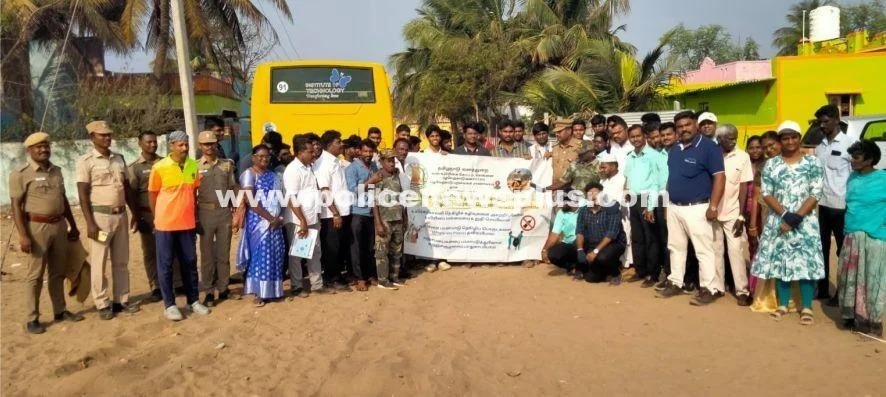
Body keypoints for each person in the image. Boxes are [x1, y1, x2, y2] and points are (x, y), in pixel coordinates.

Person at [751, 120, 824, 325]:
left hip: (805, 221)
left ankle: (807, 307)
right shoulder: (772, 164)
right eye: (785, 138)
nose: (790, 141)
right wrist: (785, 215)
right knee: (781, 262)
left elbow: (816, 192)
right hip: (778, 220)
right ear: (780, 140)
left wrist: (797, 217)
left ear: (799, 139)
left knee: (806, 264)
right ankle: (782, 304)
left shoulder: (812, 163)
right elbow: (766, 192)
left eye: (793, 137)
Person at [10, 132, 83, 333]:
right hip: (36, 228)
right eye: (38, 147)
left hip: (59, 226)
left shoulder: (56, 171)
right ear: (29, 150)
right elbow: (15, 206)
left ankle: (60, 311)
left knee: (58, 271)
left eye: (46, 146)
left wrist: (73, 225)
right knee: (35, 275)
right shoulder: (21, 173)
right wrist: (23, 235)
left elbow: (64, 200)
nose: (44, 150)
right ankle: (32, 318)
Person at [656, 111, 726, 306]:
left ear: (695, 125)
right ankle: (675, 282)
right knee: (675, 247)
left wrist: (713, 205)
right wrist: (667, 204)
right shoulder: (675, 150)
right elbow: (672, 179)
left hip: (698, 207)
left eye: (687, 125)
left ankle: (709, 288)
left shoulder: (709, 148)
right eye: (680, 126)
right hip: (675, 207)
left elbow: (720, 177)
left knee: (704, 250)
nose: (683, 129)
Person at [76, 120, 139, 320]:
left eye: (109, 134)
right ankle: (102, 303)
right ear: (92, 137)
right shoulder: (86, 161)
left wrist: (135, 213)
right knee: (99, 261)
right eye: (102, 135)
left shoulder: (119, 159)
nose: (107, 138)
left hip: (120, 216)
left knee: (121, 261)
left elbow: (126, 188)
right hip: (100, 217)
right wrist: (90, 223)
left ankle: (121, 299)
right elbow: (83, 194)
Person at [148, 130, 210, 321]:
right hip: (165, 225)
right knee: (165, 265)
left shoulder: (193, 166)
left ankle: (193, 301)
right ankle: (170, 305)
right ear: (171, 146)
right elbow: (152, 194)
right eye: (180, 145)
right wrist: (157, 219)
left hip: (187, 224)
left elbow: (193, 193)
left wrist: (195, 218)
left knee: (190, 262)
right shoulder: (159, 167)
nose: (184, 148)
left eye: (186, 144)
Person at [837, 140, 885, 335]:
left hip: (875, 237)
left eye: (856, 157)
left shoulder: (883, 179)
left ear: (870, 159)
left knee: (873, 279)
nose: (852, 161)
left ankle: (873, 321)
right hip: (851, 236)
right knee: (849, 278)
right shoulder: (852, 178)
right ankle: (851, 316)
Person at [813, 104, 858, 304]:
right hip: (822, 205)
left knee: (843, 251)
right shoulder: (819, 146)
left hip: (842, 207)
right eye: (820, 122)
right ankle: (822, 288)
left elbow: (856, 174)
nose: (822, 126)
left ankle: (842, 292)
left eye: (826, 121)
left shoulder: (851, 144)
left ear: (837, 119)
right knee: (821, 248)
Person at [236, 145, 286, 307]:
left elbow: (281, 198)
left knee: (275, 255)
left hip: (275, 222)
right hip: (258, 223)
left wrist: (278, 217)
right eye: (260, 156)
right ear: (253, 158)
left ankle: (274, 291)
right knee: (260, 255)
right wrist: (269, 218)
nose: (264, 159)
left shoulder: (273, 175)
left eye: (267, 157)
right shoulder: (248, 175)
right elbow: (250, 200)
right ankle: (260, 292)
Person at [196, 130, 239, 307]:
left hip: (224, 213)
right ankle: (207, 291)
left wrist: (236, 211)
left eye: (212, 143)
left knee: (223, 253)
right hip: (205, 213)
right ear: (200, 146)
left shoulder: (226, 165)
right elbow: (190, 193)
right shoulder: (193, 166)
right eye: (206, 144)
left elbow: (232, 187)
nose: (210, 147)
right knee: (207, 256)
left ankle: (223, 288)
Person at [713, 124, 753, 306]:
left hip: (732, 213)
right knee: (715, 251)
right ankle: (718, 288)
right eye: (729, 137)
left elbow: (744, 187)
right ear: (719, 138)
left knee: (735, 251)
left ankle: (742, 290)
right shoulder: (712, 154)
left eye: (735, 137)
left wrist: (741, 216)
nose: (733, 140)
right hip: (712, 212)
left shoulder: (743, 157)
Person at [283, 136, 327, 296]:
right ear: (300, 153)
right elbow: (290, 197)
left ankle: (317, 284)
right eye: (310, 151)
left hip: (312, 216)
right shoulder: (293, 170)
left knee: (315, 251)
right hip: (298, 220)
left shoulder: (309, 167)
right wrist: (302, 220)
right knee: (298, 253)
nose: (313, 154)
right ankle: (297, 286)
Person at [624, 123, 666, 286]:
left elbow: (656, 182)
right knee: (637, 237)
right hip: (634, 199)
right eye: (632, 137)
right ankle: (640, 270)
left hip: (648, 199)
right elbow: (628, 177)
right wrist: (627, 191)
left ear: (644, 137)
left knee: (651, 238)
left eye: (638, 136)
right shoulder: (630, 156)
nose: (635, 139)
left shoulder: (653, 156)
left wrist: (650, 207)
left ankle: (653, 273)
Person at [314, 130, 352, 291]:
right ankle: (331, 278)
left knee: (340, 246)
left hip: (342, 211)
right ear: (329, 145)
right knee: (332, 247)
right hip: (331, 214)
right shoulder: (323, 164)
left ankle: (337, 274)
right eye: (338, 141)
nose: (341, 144)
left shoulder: (336, 161)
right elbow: (324, 191)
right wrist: (335, 213)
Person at [127, 131, 162, 302]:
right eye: (149, 142)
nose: (153, 145)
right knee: (150, 251)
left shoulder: (164, 162)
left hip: (166, 214)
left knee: (170, 249)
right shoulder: (135, 167)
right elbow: (131, 194)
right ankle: (155, 286)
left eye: (154, 142)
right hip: (146, 215)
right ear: (139, 143)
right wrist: (137, 216)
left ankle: (175, 283)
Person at [576, 182, 627, 284]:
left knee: (603, 257)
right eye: (590, 193)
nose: (593, 196)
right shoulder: (583, 210)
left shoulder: (612, 209)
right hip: (593, 243)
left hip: (613, 244)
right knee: (590, 278)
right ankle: (585, 267)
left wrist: (595, 251)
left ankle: (615, 272)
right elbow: (579, 231)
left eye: (596, 193)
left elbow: (611, 235)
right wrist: (580, 250)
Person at [346, 140, 379, 291]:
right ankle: (359, 277)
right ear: (359, 151)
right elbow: (352, 191)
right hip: (357, 212)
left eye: (370, 152)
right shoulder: (352, 169)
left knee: (370, 246)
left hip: (372, 211)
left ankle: (370, 274)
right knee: (357, 247)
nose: (368, 154)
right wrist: (370, 181)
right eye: (365, 151)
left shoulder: (373, 165)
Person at [372, 149, 407, 290]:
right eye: (388, 160)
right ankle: (383, 280)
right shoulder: (379, 177)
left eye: (393, 160)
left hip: (398, 218)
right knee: (382, 252)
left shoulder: (397, 175)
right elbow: (374, 202)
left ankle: (394, 277)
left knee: (396, 251)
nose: (392, 163)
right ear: (381, 162)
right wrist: (378, 223)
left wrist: (404, 217)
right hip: (384, 220)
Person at [543, 203, 579, 274]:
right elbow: (554, 234)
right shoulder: (561, 212)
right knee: (552, 254)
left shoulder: (585, 209)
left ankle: (582, 267)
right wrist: (544, 250)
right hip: (568, 243)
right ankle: (573, 267)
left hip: (584, 242)